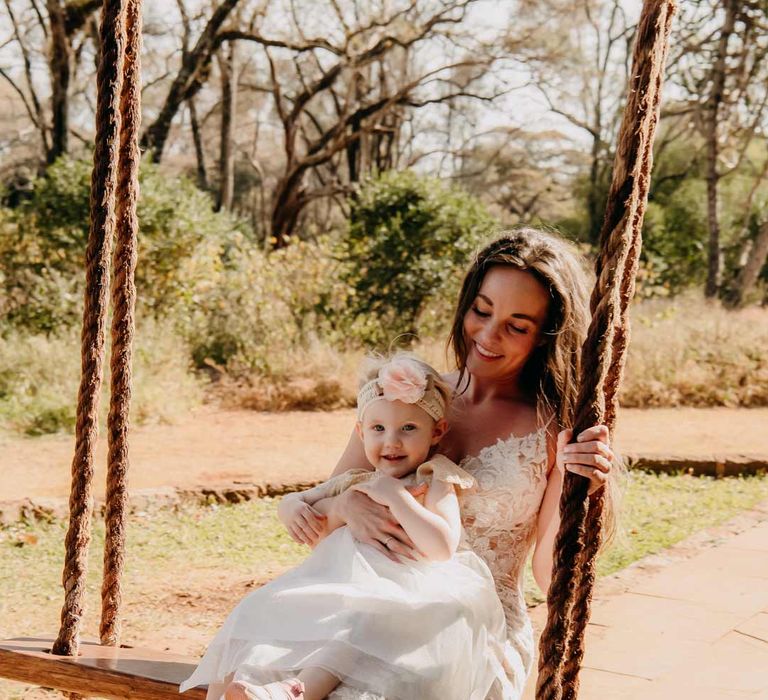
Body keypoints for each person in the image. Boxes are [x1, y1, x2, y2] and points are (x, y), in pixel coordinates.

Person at [285, 229, 619, 699]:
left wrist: (572, 477)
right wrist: (344, 510)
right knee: (263, 672)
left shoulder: (554, 430)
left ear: (546, 337)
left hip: (473, 627)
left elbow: (551, 580)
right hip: (368, 606)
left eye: (516, 326)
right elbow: (316, 522)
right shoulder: (405, 399)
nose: (487, 335)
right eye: (482, 311)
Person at [180, 353, 516, 700]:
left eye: (409, 428)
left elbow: (443, 545)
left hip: (409, 589)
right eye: (378, 429)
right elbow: (304, 500)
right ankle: (260, 678)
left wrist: (397, 497)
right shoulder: (355, 480)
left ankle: (294, 691)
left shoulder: (434, 479)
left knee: (363, 622)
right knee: (261, 607)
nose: (392, 441)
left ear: (437, 432)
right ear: (361, 431)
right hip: (342, 583)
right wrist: (288, 507)